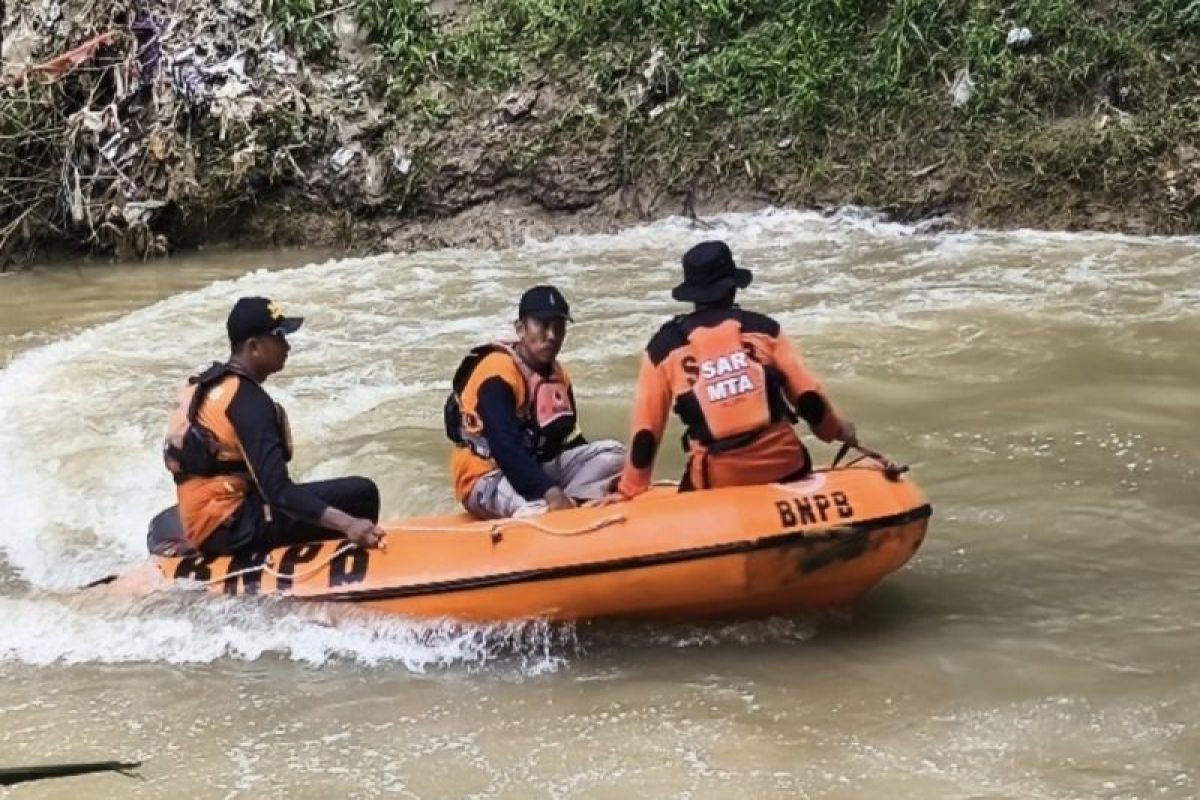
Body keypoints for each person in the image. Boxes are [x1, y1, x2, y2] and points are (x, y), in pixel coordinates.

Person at [602, 240, 857, 501]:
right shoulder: (765, 330)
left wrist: (629, 490)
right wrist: (836, 431)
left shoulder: (663, 348)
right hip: (784, 465)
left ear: (692, 294)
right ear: (733, 287)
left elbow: (646, 434)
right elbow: (809, 400)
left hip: (718, 480)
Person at [148, 297, 385, 557]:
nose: (287, 345)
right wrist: (348, 524)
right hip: (228, 527)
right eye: (279, 336)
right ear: (254, 347)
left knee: (319, 498)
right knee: (361, 494)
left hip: (201, 516)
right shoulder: (248, 401)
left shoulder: (213, 386)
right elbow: (278, 493)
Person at [445, 285, 625, 519]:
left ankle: (569, 505)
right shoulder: (496, 372)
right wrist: (550, 492)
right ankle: (555, 509)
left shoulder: (558, 375)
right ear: (520, 329)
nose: (552, 335)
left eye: (559, 327)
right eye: (543, 325)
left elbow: (571, 439)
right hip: (486, 476)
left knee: (615, 454)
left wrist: (614, 478)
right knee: (536, 511)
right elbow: (505, 448)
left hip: (533, 468)